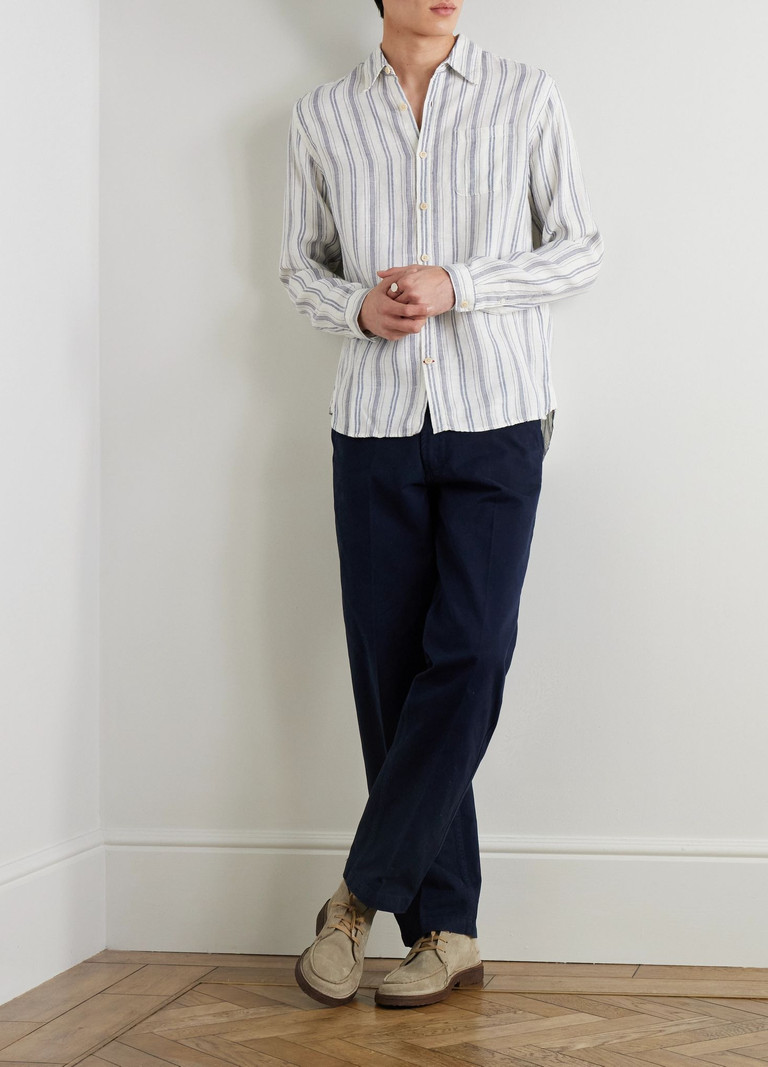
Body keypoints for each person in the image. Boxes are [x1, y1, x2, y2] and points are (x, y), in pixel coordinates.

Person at [278, 0, 603, 1009]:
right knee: (392, 678)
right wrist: (355, 305)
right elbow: (297, 264)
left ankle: (354, 899)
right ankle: (446, 929)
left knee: (471, 652)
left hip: (497, 415)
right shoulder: (323, 116)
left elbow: (580, 248)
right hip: (373, 423)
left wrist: (459, 284)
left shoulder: (523, 95)